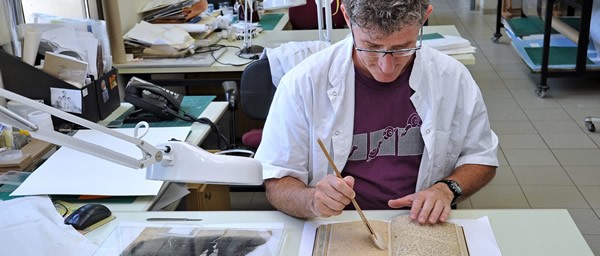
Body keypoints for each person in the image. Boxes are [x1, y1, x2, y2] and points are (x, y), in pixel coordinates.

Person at [254, 0, 498, 224]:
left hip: (421, 225)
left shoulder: (453, 78)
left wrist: (447, 189)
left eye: (403, 47)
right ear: (348, 19)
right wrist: (312, 200)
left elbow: (481, 158)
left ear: (425, 18)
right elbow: (277, 182)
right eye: (371, 47)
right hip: (336, 224)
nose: (386, 67)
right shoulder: (303, 82)